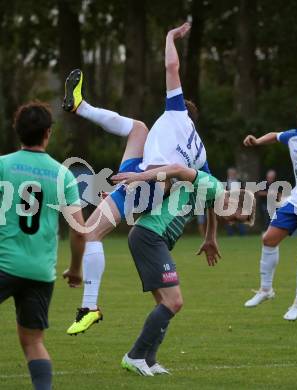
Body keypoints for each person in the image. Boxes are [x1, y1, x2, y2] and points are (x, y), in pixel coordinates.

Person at [62, 22, 213, 336]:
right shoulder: (200, 152)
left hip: (143, 182)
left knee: (90, 235)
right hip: (151, 186)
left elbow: (172, 65)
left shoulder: (175, 114)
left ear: (185, 111)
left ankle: (89, 306)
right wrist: (210, 236)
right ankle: (81, 105)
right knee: (139, 129)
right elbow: (210, 194)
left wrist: (170, 37)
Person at [111, 163, 256, 375]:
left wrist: (210, 237)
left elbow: (211, 207)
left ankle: (148, 360)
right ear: (233, 201)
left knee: (165, 303)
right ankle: (135, 356)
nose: (232, 222)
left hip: (150, 237)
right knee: (174, 301)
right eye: (235, 218)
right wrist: (141, 177)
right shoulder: (213, 186)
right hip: (150, 236)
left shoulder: (214, 195)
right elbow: (178, 168)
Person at [0, 101, 85, 389]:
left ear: (17, 131)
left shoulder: (3, 166)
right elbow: (79, 232)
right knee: (34, 341)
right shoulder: (63, 175)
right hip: (40, 272)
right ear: (48, 133)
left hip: (4, 264)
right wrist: (75, 270)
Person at [243, 109, 297, 320]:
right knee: (268, 239)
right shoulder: (295, 136)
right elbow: (275, 135)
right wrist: (258, 141)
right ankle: (266, 290)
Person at [225, 167, 246, 236]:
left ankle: (242, 233)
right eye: (230, 173)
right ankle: (230, 234)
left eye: (233, 173)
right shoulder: (225, 182)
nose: (232, 174)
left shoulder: (240, 181)